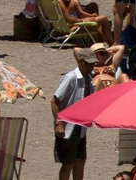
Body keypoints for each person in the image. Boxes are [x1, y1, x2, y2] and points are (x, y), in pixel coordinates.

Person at [52, 48, 100, 180]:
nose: (92, 66)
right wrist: (59, 123)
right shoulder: (71, 78)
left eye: (93, 64)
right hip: (68, 126)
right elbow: (55, 101)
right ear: (80, 62)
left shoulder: (88, 78)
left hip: (80, 126)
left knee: (80, 161)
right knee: (68, 163)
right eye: (89, 63)